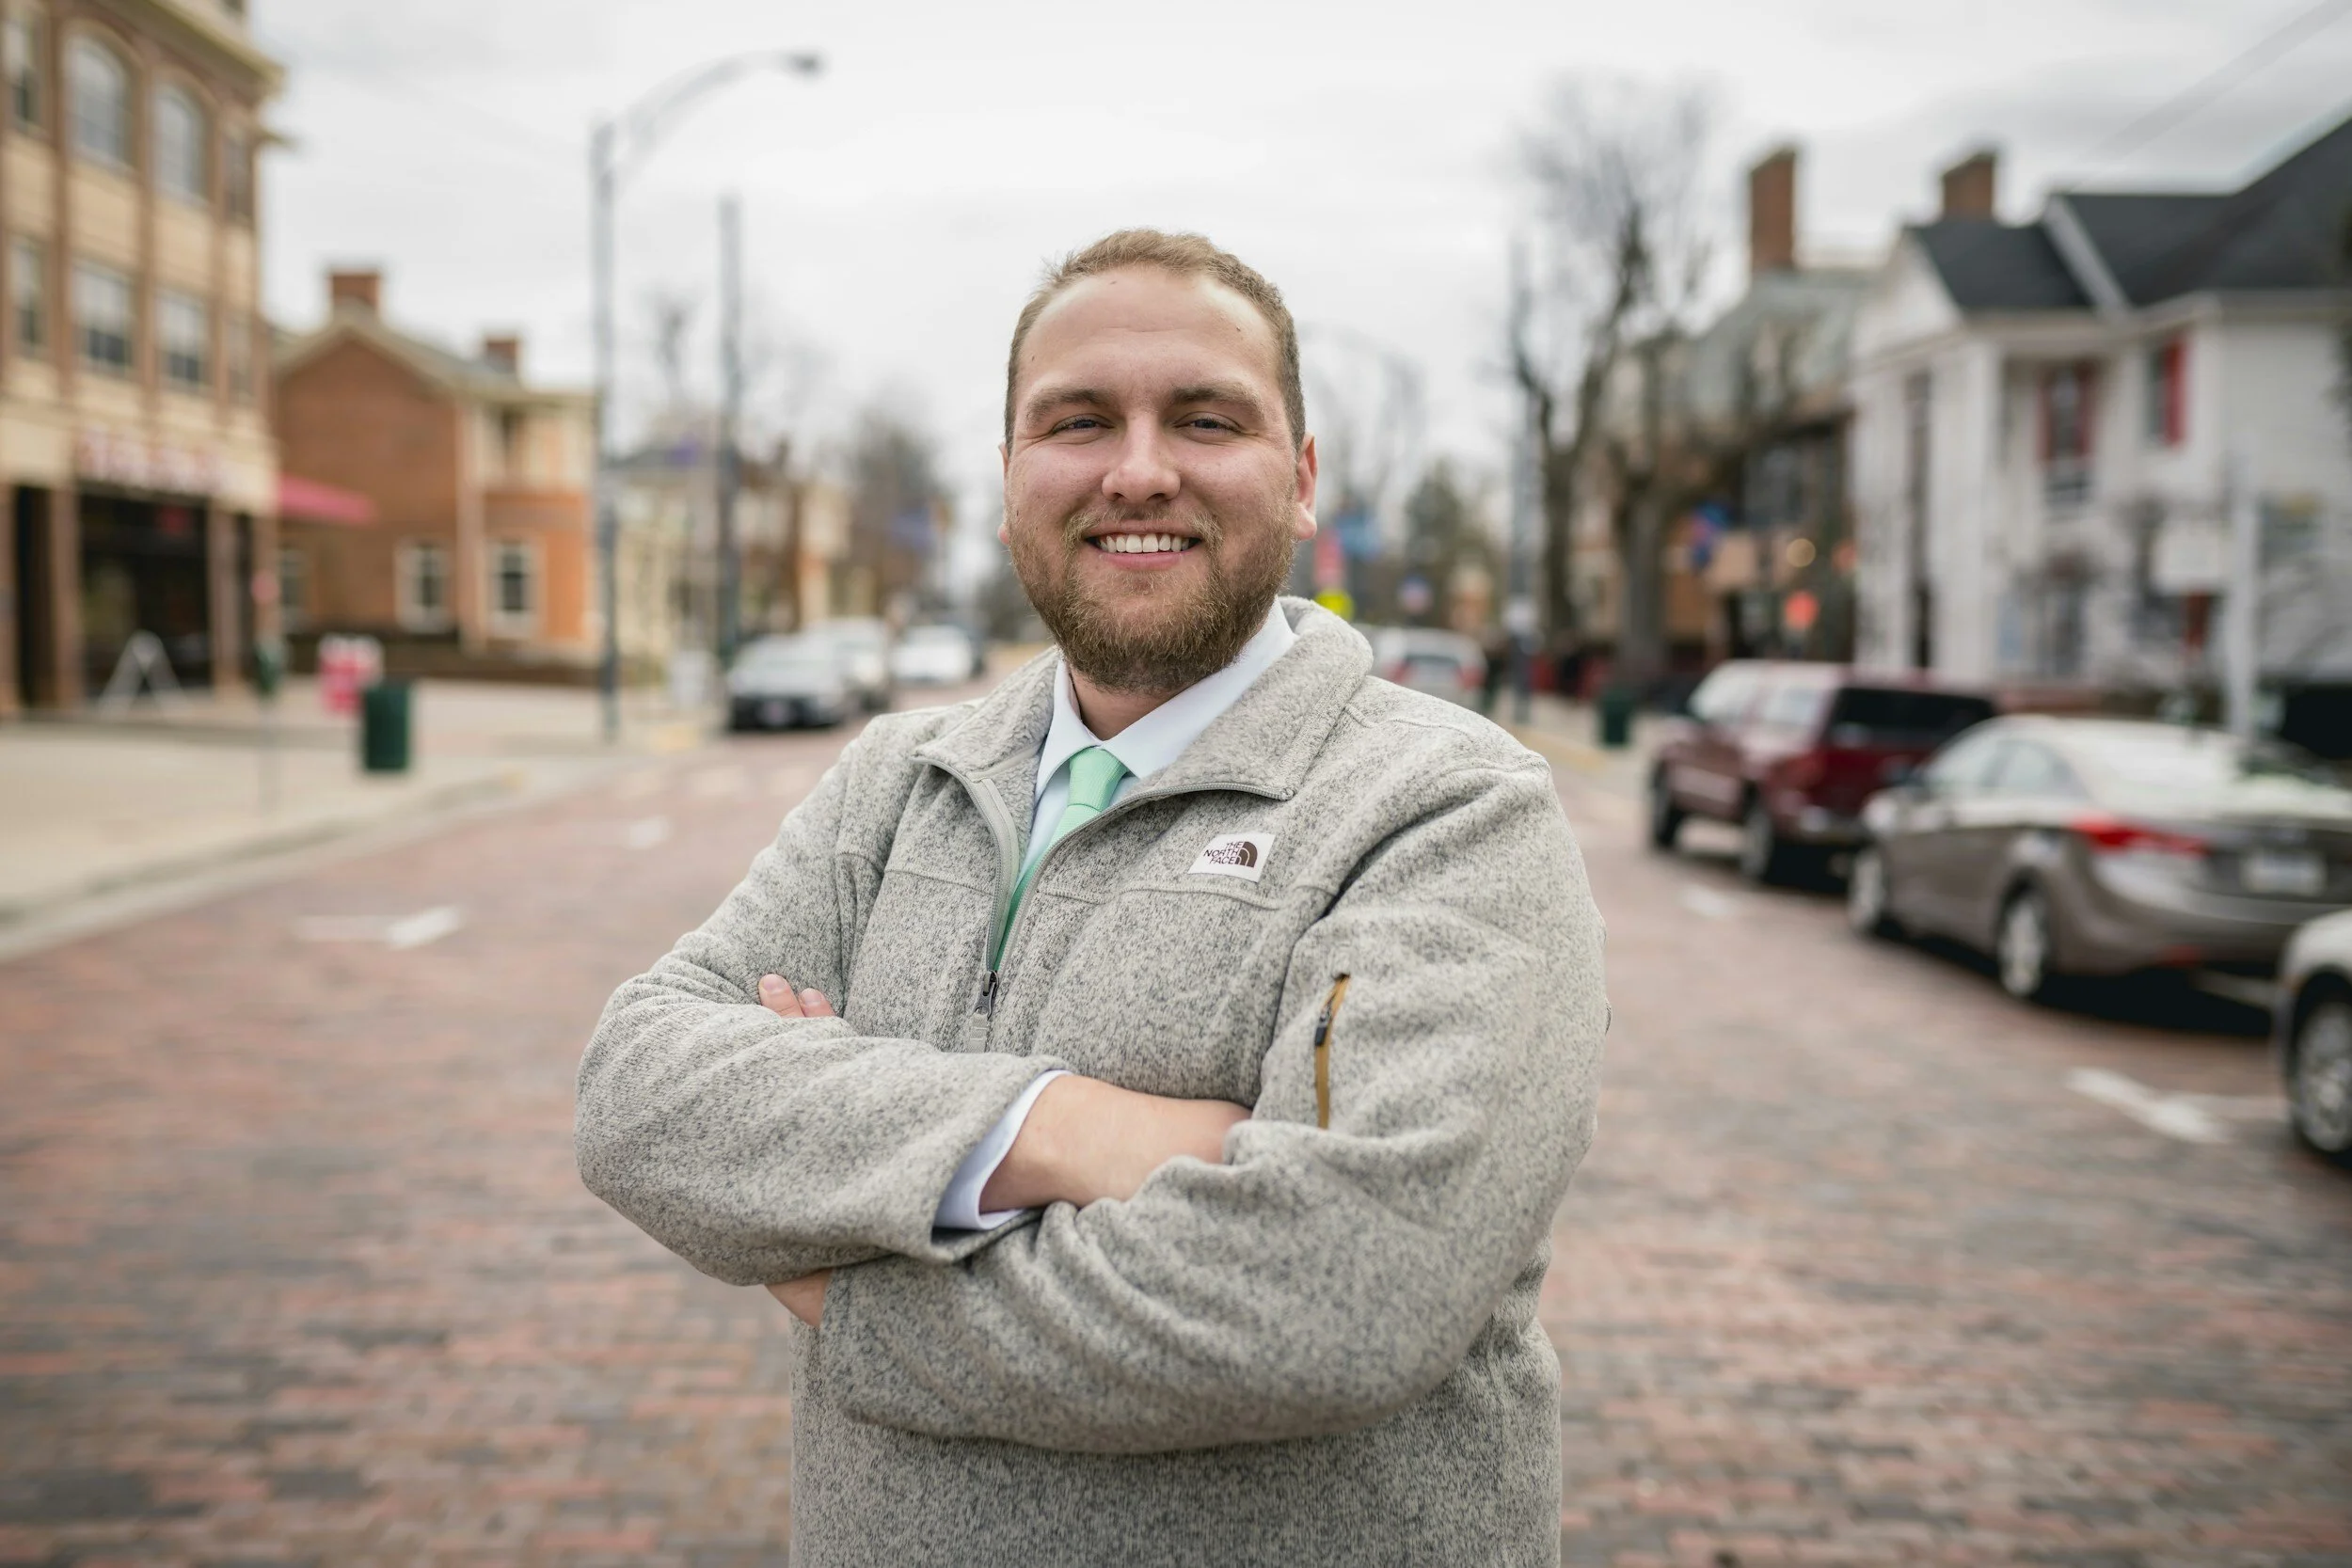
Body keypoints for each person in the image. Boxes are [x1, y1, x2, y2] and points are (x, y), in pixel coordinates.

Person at [577, 230, 1608, 1568]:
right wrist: (1062, 1129)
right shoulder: (899, 779)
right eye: (1078, 421)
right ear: (1009, 482)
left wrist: (845, 1272)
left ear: (1298, 483)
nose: (1138, 469)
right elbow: (636, 1089)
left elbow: (1344, 1287)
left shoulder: (1452, 807)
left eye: (1204, 417)